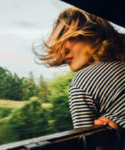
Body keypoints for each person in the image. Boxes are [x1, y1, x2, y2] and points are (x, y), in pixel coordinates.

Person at [34, 7, 125, 148]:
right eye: (59, 43)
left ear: (94, 34)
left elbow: (88, 146)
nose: (63, 50)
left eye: (70, 37)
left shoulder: (81, 84)